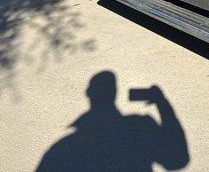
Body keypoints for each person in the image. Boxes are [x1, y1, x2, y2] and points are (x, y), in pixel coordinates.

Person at [36, 70, 189, 172]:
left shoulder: (63, 147)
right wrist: (162, 103)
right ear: (115, 93)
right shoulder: (141, 126)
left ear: (88, 93)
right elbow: (177, 160)